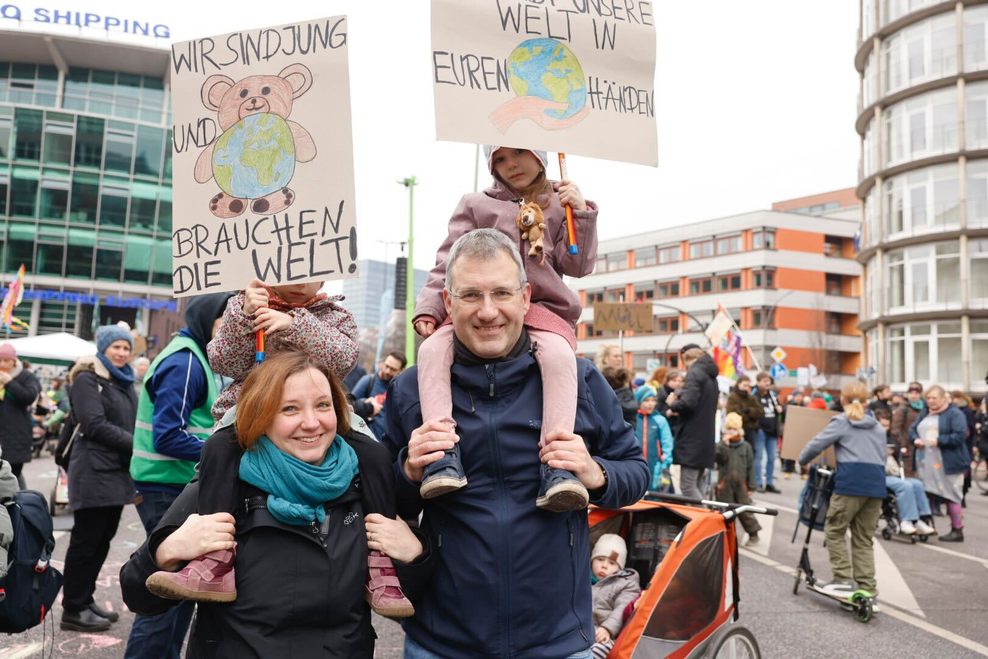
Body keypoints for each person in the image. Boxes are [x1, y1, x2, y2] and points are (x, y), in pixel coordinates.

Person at [383, 230, 648, 658]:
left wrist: (595, 472)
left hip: (559, 641)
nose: (488, 311)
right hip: (443, 642)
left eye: (501, 293)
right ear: (448, 303)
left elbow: (636, 473)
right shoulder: (412, 389)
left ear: (526, 298)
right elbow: (377, 497)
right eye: (471, 295)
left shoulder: (577, 380)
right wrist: (408, 469)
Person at [121, 352, 430, 657]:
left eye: (323, 405)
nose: (311, 423)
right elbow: (139, 596)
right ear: (262, 416)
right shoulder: (223, 485)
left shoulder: (367, 485)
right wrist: (166, 551)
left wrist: (415, 556)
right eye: (290, 409)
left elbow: (420, 604)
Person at [410, 145, 599, 512]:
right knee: (432, 349)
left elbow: (576, 266)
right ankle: (442, 452)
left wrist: (581, 214)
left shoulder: (560, 201)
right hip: (482, 304)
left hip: (540, 307)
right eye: (499, 158)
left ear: (541, 156)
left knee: (560, 355)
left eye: (520, 154)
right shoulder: (476, 204)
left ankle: (557, 465)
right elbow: (447, 260)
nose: (510, 164)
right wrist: (431, 306)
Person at [124, 292, 231, 659]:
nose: (230, 329)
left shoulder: (197, 356)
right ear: (206, 319)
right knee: (165, 588)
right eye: (224, 321)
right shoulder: (185, 361)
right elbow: (168, 434)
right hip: (164, 484)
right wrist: (221, 453)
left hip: (169, 482)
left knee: (178, 590)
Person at [61, 325, 138, 632]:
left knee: (102, 540)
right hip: (92, 471)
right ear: (103, 348)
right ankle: (73, 609)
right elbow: (93, 424)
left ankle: (85, 599)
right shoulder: (87, 378)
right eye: (116, 347)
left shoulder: (123, 381)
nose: (121, 353)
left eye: (125, 348)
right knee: (85, 541)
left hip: (116, 473)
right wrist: (138, 444)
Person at [207, 277, 358, 422]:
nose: (301, 283)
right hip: (249, 413)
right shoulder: (245, 307)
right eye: (292, 273)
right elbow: (223, 363)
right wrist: (244, 316)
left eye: (311, 276)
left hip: (314, 418)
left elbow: (342, 363)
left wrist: (297, 326)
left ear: (322, 281)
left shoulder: (337, 318)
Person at [798, 382, 886, 599]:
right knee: (863, 537)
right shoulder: (877, 426)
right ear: (866, 401)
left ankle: (843, 579)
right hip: (876, 484)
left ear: (843, 400)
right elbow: (882, 457)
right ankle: (867, 587)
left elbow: (816, 444)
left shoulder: (842, 422)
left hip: (851, 482)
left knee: (835, 529)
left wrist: (802, 460)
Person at [910, 385, 970, 542]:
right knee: (926, 493)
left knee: (952, 495)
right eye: (928, 398)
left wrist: (938, 441)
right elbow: (913, 429)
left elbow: (960, 435)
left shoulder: (954, 414)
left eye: (934, 398)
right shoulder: (925, 412)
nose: (930, 401)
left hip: (948, 462)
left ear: (943, 398)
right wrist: (915, 438)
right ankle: (928, 527)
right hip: (925, 461)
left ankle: (957, 530)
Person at [665, 347, 718, 500]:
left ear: (687, 360)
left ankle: (705, 520)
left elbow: (688, 403)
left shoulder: (695, 373)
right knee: (699, 484)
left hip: (692, 438)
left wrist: (672, 403)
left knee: (687, 486)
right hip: (705, 438)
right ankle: (707, 516)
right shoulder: (710, 375)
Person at [590, 534, 641, 659]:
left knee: (598, 650)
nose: (604, 566)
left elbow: (621, 609)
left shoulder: (626, 584)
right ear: (592, 560)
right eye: (600, 559)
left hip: (608, 635)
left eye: (612, 563)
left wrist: (607, 628)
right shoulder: (582, 577)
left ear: (619, 568)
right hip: (581, 630)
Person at [714, 412, 761, 545]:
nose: (731, 432)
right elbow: (718, 458)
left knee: (744, 510)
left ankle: (753, 534)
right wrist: (724, 444)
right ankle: (723, 535)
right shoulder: (722, 445)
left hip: (742, 484)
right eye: (729, 428)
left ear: (739, 430)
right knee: (724, 511)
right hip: (725, 484)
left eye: (734, 429)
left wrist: (752, 485)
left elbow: (751, 467)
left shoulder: (746, 446)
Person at [0, 342, 41, 490]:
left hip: (16, 434)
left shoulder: (25, 377)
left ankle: (19, 507)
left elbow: (29, 396)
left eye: (6, 360)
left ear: (14, 361)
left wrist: (9, 382)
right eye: (0, 360)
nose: (3, 364)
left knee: (12, 475)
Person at [351, 352, 406, 440]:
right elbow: (350, 405)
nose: (387, 371)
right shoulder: (368, 381)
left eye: (393, 369)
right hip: (366, 439)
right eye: (386, 366)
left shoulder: (400, 390)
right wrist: (365, 404)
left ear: (401, 370)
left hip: (388, 444)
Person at [634, 385, 673, 492]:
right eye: (646, 400)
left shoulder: (660, 420)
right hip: (635, 467)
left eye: (653, 400)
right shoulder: (633, 420)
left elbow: (667, 444)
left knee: (654, 497)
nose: (651, 404)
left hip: (656, 467)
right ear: (639, 401)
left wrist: (665, 464)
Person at [754, 372, 782, 493]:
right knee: (758, 457)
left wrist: (780, 409)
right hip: (760, 430)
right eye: (764, 381)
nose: (767, 383)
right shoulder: (754, 395)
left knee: (771, 458)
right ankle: (758, 482)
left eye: (768, 381)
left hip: (772, 431)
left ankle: (769, 482)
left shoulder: (773, 396)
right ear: (758, 382)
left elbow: (781, 409)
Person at [891, 382, 925, 477]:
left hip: (923, 446)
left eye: (917, 393)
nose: (914, 395)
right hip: (908, 447)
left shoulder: (925, 408)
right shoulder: (903, 408)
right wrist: (903, 444)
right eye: (911, 393)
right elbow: (895, 429)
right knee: (909, 474)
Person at [727, 375, 763, 446]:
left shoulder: (752, 398)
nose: (746, 388)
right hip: (736, 430)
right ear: (738, 384)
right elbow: (733, 413)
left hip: (751, 430)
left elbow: (760, 411)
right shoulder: (733, 397)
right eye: (744, 385)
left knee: (751, 451)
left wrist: (749, 411)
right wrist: (748, 417)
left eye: (748, 386)